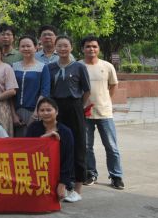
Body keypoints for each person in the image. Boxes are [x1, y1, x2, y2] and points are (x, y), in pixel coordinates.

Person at [48, 35, 90, 199]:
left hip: (74, 107)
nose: (62, 49)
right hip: (56, 108)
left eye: (66, 45)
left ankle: (78, 189)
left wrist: (79, 106)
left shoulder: (79, 67)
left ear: (71, 47)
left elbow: (86, 90)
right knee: (60, 145)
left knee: (79, 145)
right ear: (55, 48)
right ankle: (63, 184)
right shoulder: (50, 67)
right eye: (59, 46)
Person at [81, 35, 124, 189]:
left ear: (98, 48)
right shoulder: (78, 66)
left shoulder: (107, 66)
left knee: (111, 146)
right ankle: (90, 173)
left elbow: (113, 85)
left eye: (94, 46)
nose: (91, 49)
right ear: (82, 49)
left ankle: (116, 176)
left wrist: (106, 100)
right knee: (86, 147)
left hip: (105, 113)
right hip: (84, 113)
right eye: (88, 46)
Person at [26, 97, 77, 202]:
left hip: (57, 174)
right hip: (36, 172)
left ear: (56, 111)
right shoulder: (33, 128)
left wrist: (63, 183)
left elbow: (68, 159)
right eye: (42, 110)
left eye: (49, 110)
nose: (45, 113)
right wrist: (43, 139)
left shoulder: (66, 132)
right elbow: (27, 150)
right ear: (38, 113)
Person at [12, 35, 51, 136]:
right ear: (19, 48)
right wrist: (13, 114)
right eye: (22, 46)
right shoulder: (14, 66)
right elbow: (11, 91)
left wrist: (36, 113)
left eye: (28, 46)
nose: (25, 49)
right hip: (16, 112)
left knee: (33, 140)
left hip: (34, 110)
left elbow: (45, 91)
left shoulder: (42, 67)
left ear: (35, 47)